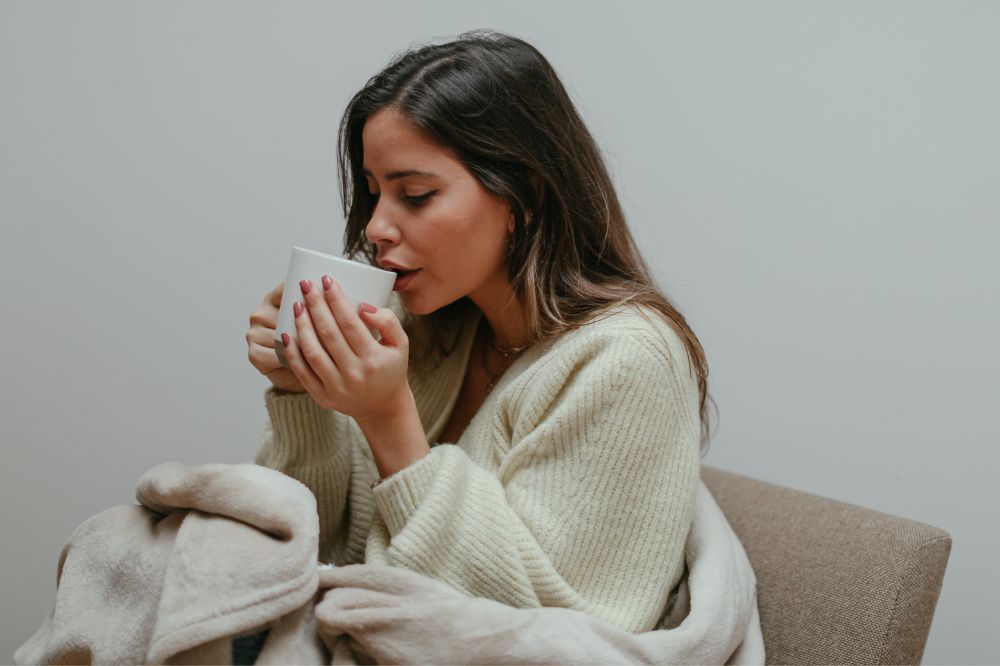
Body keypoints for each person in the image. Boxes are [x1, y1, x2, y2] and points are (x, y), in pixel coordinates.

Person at [244, 29, 715, 635]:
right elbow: (310, 555)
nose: (377, 228)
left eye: (415, 195)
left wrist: (391, 422)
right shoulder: (430, 330)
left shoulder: (628, 360)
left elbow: (543, 633)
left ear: (523, 196)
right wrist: (303, 394)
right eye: (374, 193)